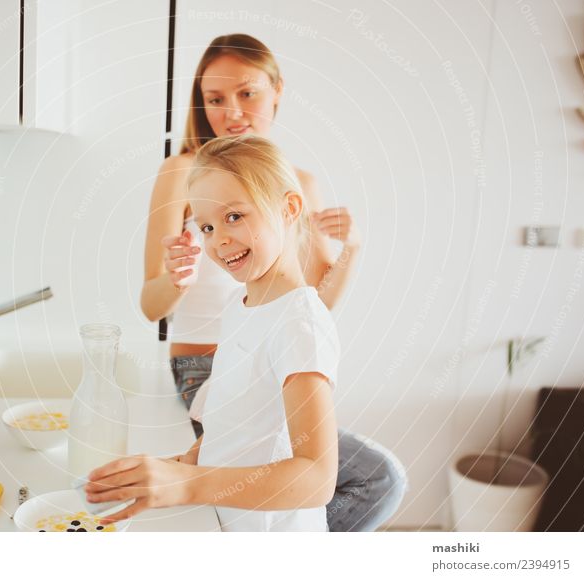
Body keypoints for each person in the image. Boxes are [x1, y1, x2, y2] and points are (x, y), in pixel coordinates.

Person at [139, 34, 405, 531]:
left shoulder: (295, 182)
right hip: (203, 365)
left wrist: (353, 251)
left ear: (277, 90)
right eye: (215, 99)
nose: (231, 111)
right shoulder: (182, 172)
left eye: (247, 93)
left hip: (272, 356)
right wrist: (177, 279)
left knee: (373, 475)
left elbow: (311, 307)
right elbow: (150, 307)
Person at [86, 135, 339, 530]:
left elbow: (317, 479)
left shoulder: (299, 322)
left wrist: (190, 484)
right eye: (206, 225)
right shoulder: (241, 306)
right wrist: (182, 462)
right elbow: (239, 423)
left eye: (234, 216)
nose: (218, 239)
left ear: (289, 208)